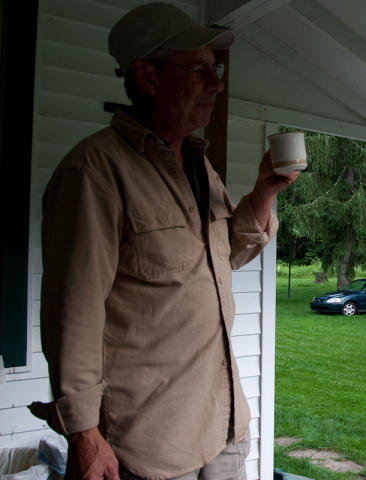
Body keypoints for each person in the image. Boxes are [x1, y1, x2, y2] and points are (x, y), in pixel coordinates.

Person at [29, 3, 298, 480]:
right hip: (148, 444)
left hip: (223, 426)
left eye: (213, 68)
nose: (216, 83)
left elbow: (226, 255)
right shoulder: (94, 172)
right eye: (199, 70)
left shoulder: (197, 163)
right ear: (147, 76)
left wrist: (263, 193)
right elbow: (73, 312)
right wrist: (84, 435)